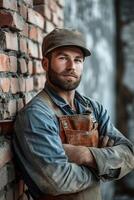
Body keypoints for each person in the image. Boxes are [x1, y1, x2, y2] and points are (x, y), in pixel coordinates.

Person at [13, 28, 134, 200]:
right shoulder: (36, 115)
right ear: (45, 64)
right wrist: (103, 165)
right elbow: (57, 180)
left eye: (78, 60)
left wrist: (86, 155)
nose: (71, 67)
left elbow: (129, 153)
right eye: (63, 58)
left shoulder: (94, 108)